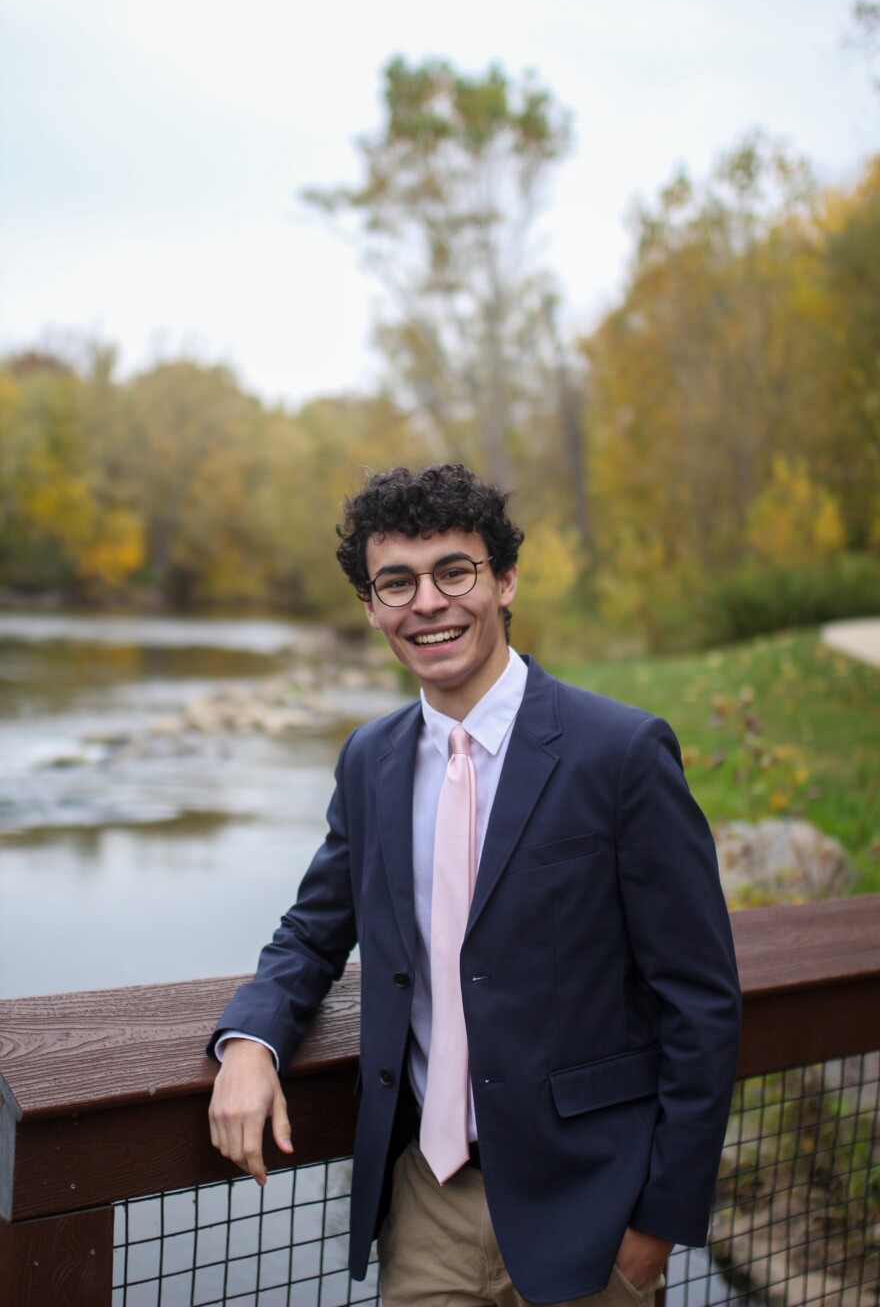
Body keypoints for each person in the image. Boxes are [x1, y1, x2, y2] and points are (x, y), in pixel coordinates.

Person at [207, 463, 741, 1306]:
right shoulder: (368, 761)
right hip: (428, 1200)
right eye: (397, 583)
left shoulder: (621, 754)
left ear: (504, 581)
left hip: (592, 1207)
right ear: (371, 606)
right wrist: (249, 1042)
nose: (427, 603)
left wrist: (654, 1229)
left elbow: (701, 1000)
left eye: (454, 571)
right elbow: (312, 933)